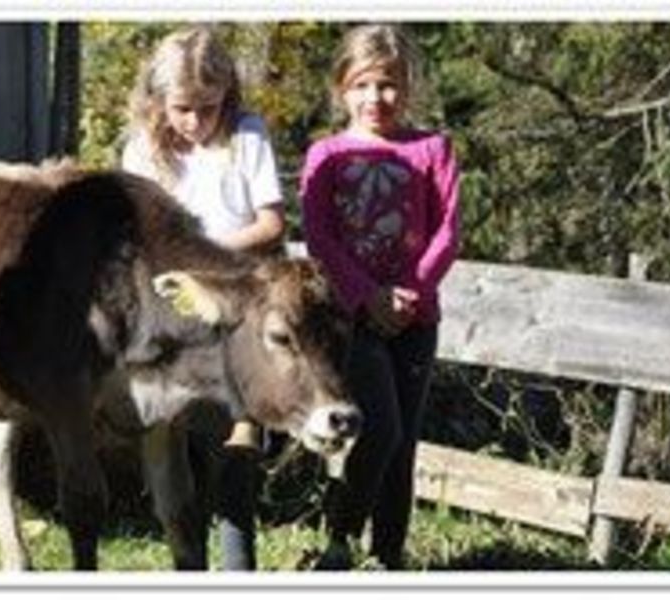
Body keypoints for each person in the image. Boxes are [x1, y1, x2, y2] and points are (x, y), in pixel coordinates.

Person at [122, 25, 286, 570]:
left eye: (208, 108)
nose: (195, 123)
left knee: (238, 439)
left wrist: (204, 255)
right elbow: (134, 238)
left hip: (238, 300)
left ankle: (239, 564)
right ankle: (186, 561)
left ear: (227, 95)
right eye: (182, 109)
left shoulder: (247, 136)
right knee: (165, 439)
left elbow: (270, 224)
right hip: (168, 310)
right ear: (158, 101)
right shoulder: (143, 152)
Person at [299, 24, 460, 570]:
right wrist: (368, 297)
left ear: (407, 86)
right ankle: (340, 539)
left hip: (416, 319)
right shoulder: (327, 154)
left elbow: (448, 232)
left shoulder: (432, 149)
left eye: (388, 84)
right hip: (353, 318)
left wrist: (408, 295)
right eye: (362, 85)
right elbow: (319, 235)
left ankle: (389, 556)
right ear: (342, 88)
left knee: (404, 443)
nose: (376, 98)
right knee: (380, 429)